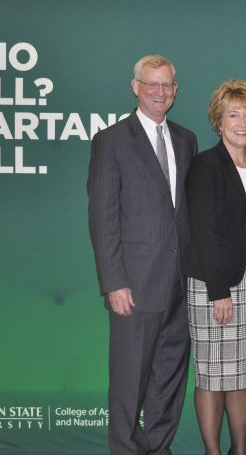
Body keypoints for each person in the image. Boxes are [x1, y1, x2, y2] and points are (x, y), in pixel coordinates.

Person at [87, 54, 197, 454]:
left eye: (167, 85)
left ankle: (158, 448)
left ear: (175, 90)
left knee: (169, 378)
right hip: (134, 284)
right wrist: (114, 281)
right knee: (129, 382)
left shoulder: (186, 139)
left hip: (180, 285)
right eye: (152, 84)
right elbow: (103, 218)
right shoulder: (112, 140)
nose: (160, 92)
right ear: (136, 87)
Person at [182, 79, 246, 455]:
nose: (242, 122)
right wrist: (219, 290)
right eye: (233, 115)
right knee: (212, 375)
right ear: (218, 121)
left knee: (244, 371)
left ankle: (239, 450)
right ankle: (213, 451)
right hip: (215, 280)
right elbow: (204, 233)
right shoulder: (205, 166)